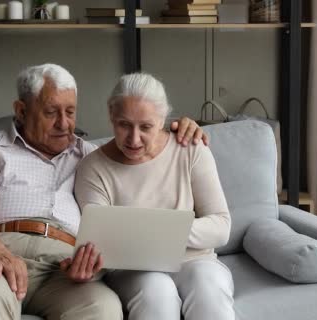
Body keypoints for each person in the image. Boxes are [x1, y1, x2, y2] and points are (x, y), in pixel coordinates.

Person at [0, 63, 208, 320]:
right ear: (21, 111)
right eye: (51, 112)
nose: (64, 124)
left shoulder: (91, 157)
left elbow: (142, 150)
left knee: (101, 307)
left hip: (63, 267)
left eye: (70, 112)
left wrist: (177, 127)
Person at [74, 72, 235, 320]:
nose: (134, 139)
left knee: (209, 286)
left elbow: (221, 226)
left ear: (162, 120)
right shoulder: (92, 168)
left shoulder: (191, 150)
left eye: (145, 127)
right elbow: (102, 241)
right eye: (124, 124)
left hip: (195, 262)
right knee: (156, 292)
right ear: (110, 115)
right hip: (132, 270)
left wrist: (156, 232)